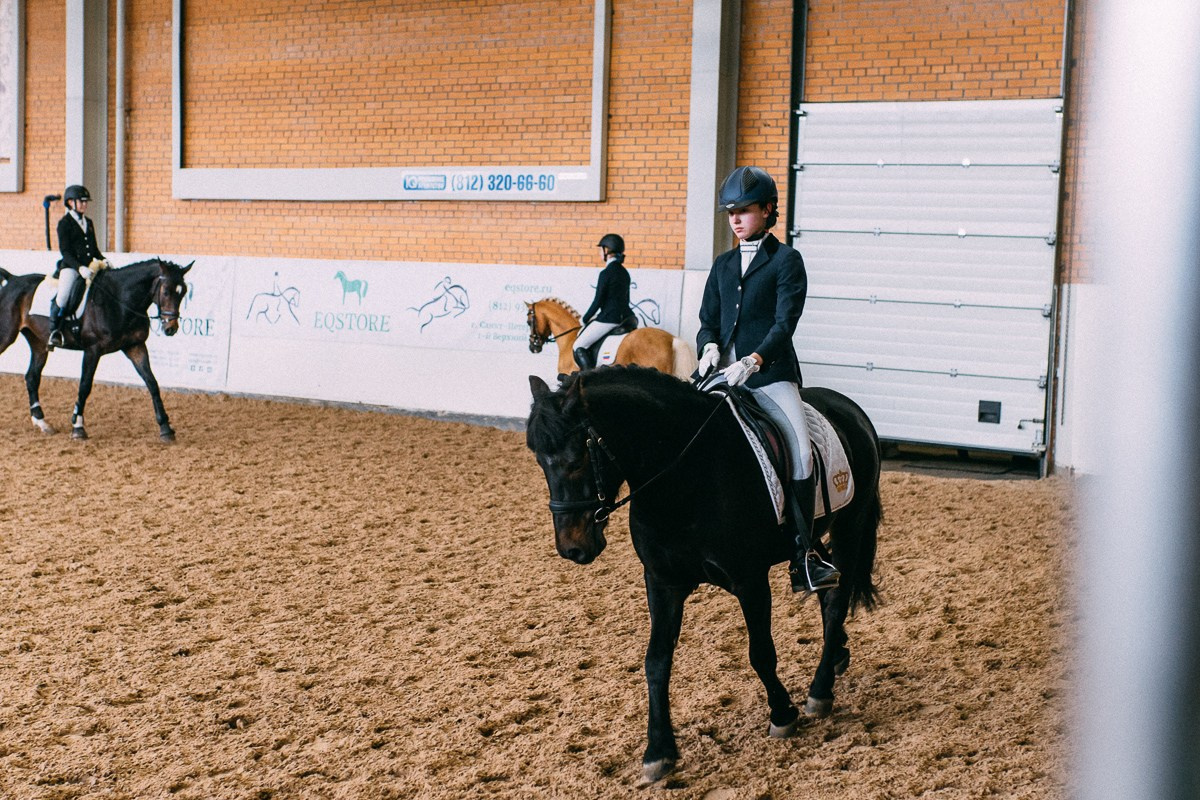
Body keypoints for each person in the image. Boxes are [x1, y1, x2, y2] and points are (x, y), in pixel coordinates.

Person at [696, 166, 839, 593]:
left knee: (799, 450)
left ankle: (804, 553)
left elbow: (784, 323)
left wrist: (754, 360)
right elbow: (708, 321)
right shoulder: (722, 265)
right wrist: (708, 347)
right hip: (724, 375)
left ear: (768, 210)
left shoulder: (786, 261)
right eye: (730, 213)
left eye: (744, 210)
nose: (736, 219)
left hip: (771, 376)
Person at [50, 184, 107, 348]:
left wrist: (104, 260)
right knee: (63, 296)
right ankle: (55, 331)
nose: (84, 205)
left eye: (85, 202)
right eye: (81, 202)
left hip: (90, 267)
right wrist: (79, 268)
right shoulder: (64, 223)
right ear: (70, 203)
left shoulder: (88, 222)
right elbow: (65, 252)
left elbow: (94, 249)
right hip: (71, 267)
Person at [573, 233, 633, 370]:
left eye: (601, 249)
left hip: (609, 319)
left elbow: (598, 300)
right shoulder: (625, 273)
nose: (599, 253)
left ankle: (588, 376)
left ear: (607, 251)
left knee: (578, 346)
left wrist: (585, 318)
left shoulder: (606, 273)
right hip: (627, 317)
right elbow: (626, 299)